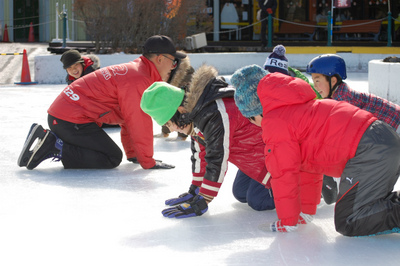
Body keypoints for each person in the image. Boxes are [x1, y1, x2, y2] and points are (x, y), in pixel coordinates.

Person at [234, 70, 400, 236]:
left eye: (250, 118)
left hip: (369, 151)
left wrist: (287, 221)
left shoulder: (276, 122)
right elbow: (310, 168)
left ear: (257, 110)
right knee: (367, 206)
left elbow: (284, 174)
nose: (255, 125)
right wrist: (306, 211)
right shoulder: (300, 109)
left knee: (349, 219)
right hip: (385, 140)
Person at [17, 35, 184, 170]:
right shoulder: (139, 79)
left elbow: (126, 118)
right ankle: (55, 145)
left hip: (67, 116)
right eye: (173, 61)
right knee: (111, 158)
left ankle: (54, 142)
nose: (173, 66)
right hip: (69, 120)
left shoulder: (137, 71)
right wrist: (148, 162)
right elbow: (138, 121)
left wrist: (134, 154)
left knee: (108, 152)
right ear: (160, 58)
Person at [140, 65, 275, 218]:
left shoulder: (216, 113)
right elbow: (201, 153)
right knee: (241, 194)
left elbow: (217, 158)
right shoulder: (197, 113)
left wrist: (204, 200)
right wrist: (195, 190)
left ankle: (299, 188)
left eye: (169, 124)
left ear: (180, 111)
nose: (170, 130)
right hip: (251, 158)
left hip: (271, 156)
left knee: (258, 201)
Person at [263, 46, 338, 205]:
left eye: (274, 75)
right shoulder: (269, 84)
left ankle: (323, 179)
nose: (270, 78)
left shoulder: (301, 88)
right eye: (268, 74)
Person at [306, 54, 400, 133]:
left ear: (333, 81)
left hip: (394, 123)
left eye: (317, 81)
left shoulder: (343, 102)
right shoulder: (337, 95)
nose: (315, 86)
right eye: (314, 82)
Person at [156, 50, 193, 141]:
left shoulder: (186, 76)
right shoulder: (166, 68)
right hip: (173, 87)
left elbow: (185, 106)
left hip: (187, 100)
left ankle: (182, 135)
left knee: (179, 105)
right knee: (164, 103)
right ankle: (165, 131)